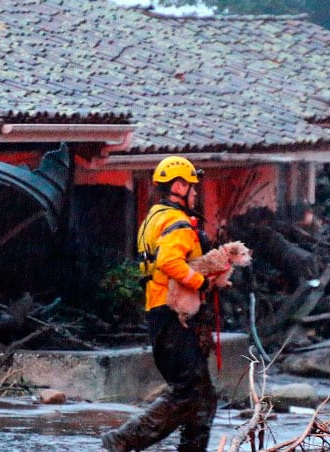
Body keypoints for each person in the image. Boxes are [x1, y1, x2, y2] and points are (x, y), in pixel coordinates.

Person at [101, 156, 215, 452]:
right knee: (187, 392)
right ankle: (124, 439)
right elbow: (169, 262)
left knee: (203, 396)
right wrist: (201, 282)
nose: (195, 193)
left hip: (163, 312)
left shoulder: (155, 215)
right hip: (174, 314)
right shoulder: (176, 222)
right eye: (192, 187)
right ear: (178, 186)